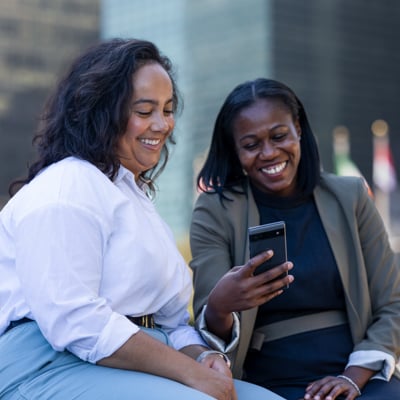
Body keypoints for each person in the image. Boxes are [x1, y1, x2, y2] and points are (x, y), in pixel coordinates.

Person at [0, 40, 283, 400]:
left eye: (167, 109)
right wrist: (190, 375)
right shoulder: (66, 186)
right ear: (103, 112)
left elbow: (171, 322)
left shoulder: (132, 196)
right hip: (47, 366)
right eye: (145, 110)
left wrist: (204, 356)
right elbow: (74, 320)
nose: (162, 124)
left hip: (136, 360)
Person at [189, 77, 400, 400]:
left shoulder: (351, 196)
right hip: (265, 379)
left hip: (357, 370)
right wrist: (220, 305)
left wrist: (353, 378)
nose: (269, 153)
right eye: (251, 144)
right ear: (235, 149)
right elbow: (209, 325)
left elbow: (392, 303)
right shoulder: (216, 209)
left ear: (298, 128)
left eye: (279, 136)